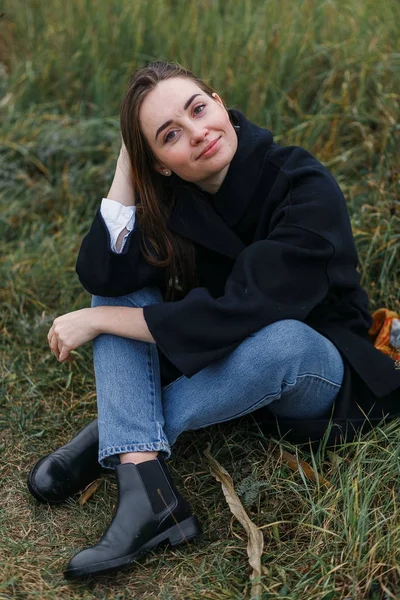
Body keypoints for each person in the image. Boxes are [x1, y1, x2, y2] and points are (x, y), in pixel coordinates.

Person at [27, 61, 400, 579]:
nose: (198, 133)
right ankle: (145, 483)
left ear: (220, 103)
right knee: (120, 292)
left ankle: (115, 435)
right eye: (169, 136)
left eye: (199, 109)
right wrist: (126, 168)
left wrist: (104, 322)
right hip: (226, 357)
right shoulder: (175, 197)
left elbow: (247, 311)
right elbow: (103, 273)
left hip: (318, 365)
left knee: (281, 342)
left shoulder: (302, 182)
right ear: (157, 163)